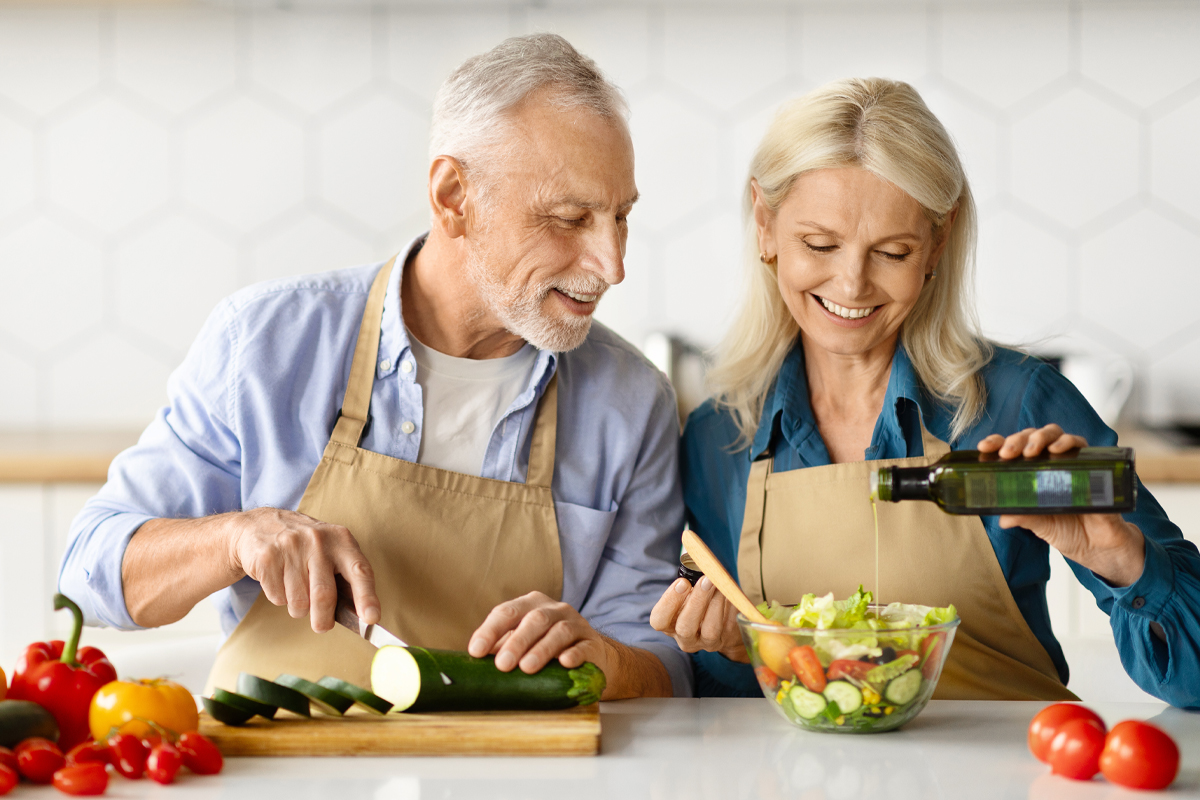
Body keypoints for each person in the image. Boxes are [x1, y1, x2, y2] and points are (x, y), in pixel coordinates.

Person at [60, 33, 690, 699]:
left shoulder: (631, 401)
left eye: (620, 217)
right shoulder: (266, 345)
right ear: (454, 197)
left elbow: (662, 660)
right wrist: (235, 538)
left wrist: (610, 661)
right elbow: (89, 571)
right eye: (570, 219)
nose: (612, 264)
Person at [650, 77, 1200, 707]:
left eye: (891, 251)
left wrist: (1125, 561)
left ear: (938, 242)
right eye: (820, 245)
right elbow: (734, 707)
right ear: (766, 224)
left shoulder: (1021, 405)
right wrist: (727, 646)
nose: (852, 284)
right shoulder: (721, 435)